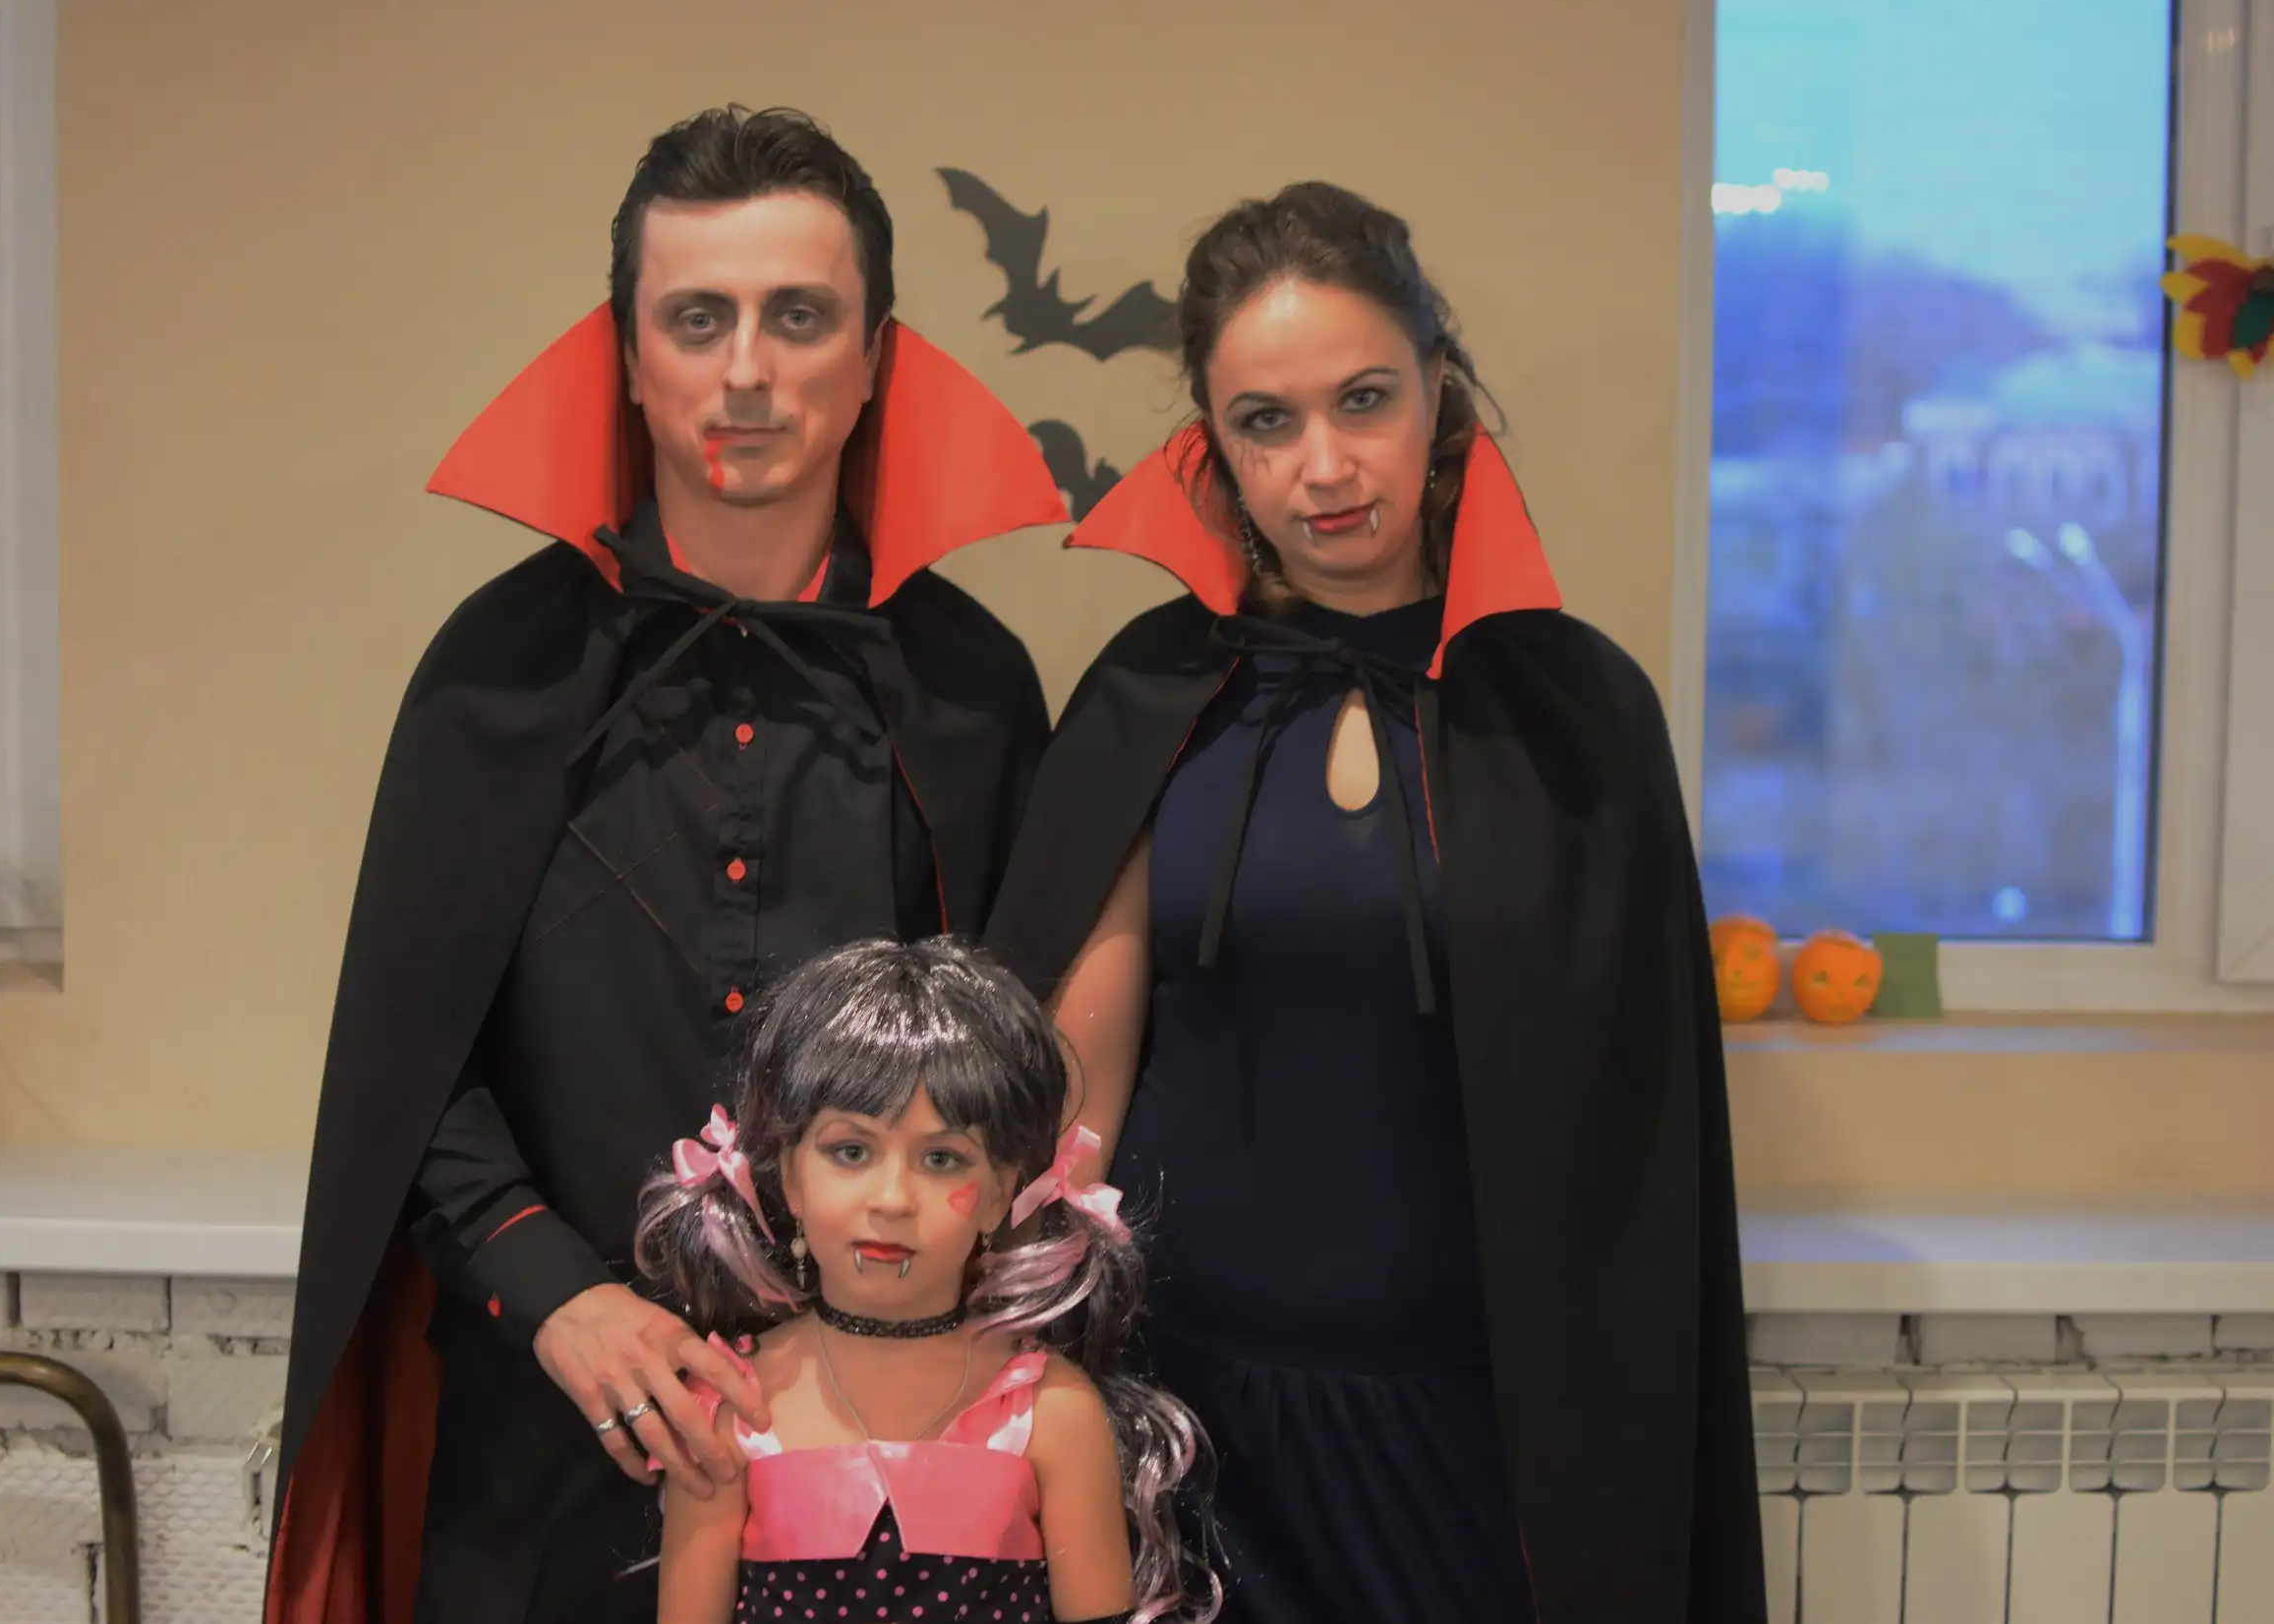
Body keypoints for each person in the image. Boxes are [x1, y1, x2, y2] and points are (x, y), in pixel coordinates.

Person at [263, 106, 1068, 1624]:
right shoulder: (495, 672)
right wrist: (556, 1291)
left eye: (798, 317)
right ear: (628, 357)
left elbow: (1022, 1087)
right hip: (542, 1437)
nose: (745, 370)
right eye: (698, 319)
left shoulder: (971, 692)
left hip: (880, 1468)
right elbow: (403, 1070)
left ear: (877, 357)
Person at [984, 182, 1765, 1621]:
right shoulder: (1153, 693)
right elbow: (1072, 1090)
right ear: (1211, 446)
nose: (1324, 466)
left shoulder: (1576, 710)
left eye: (1364, 400)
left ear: (1438, 392)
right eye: (1265, 421)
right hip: (1188, 1425)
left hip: (1489, 1437)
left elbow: (1635, 1136)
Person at [636, 937, 1215, 1624]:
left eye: (942, 1159)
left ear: (1001, 1193)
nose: (892, 1199)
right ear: (789, 1176)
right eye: (851, 1150)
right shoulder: (728, 1407)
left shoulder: (1050, 1413)